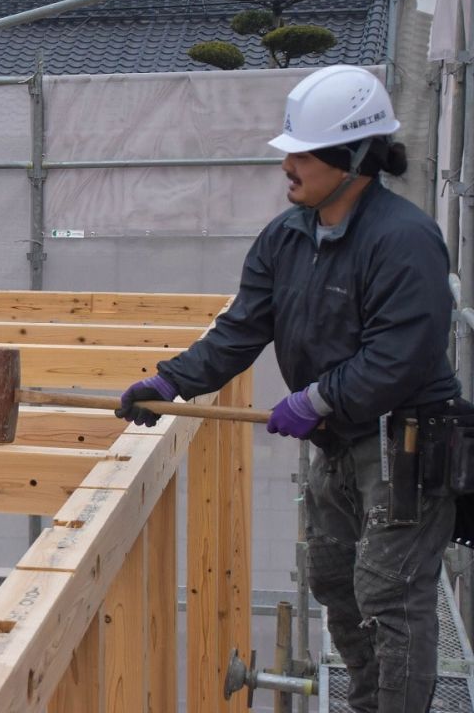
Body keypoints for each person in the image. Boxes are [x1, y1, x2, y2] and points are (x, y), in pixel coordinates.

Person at [116, 65, 464, 713]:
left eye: (304, 152)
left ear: (354, 157)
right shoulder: (286, 238)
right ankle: (367, 702)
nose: (289, 165)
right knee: (334, 581)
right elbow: (242, 328)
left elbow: (401, 355)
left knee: (390, 592)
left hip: (404, 441)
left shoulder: (404, 240)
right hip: (339, 441)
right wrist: (171, 380)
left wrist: (316, 399)